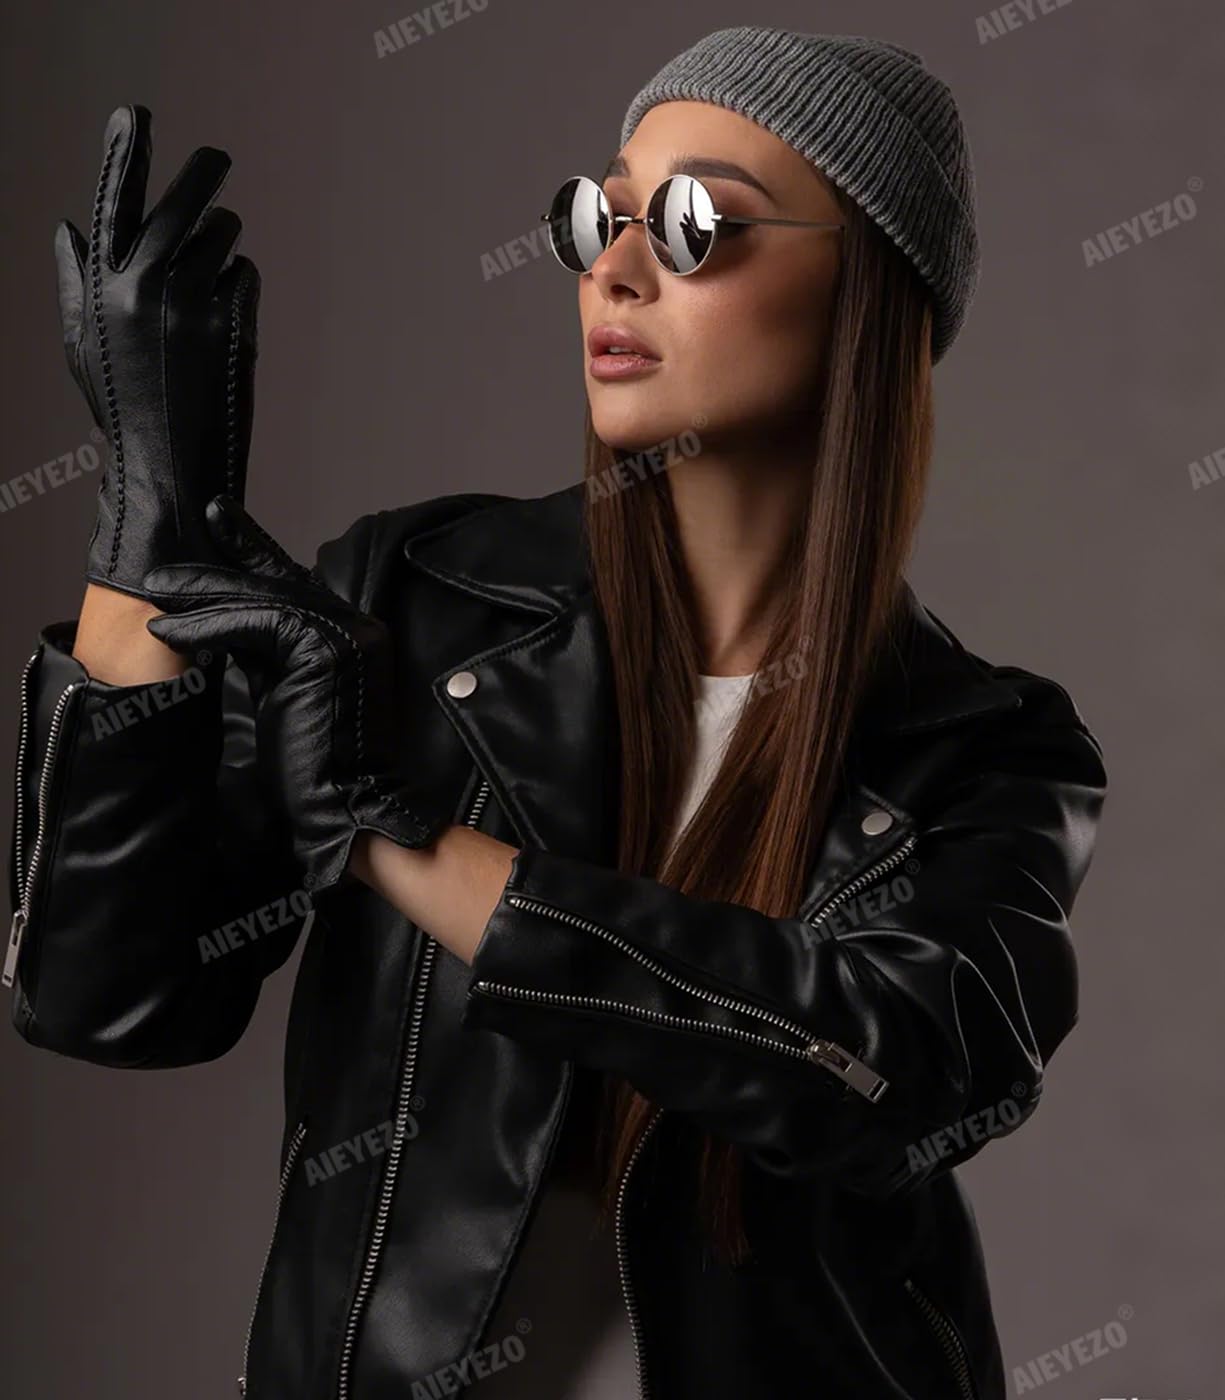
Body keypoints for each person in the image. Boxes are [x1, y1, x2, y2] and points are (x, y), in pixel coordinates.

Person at [6, 26, 1108, 1400]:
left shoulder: (987, 747)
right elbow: (110, 1004)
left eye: (695, 224)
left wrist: (390, 834)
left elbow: (895, 1077)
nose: (618, 270)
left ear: (868, 291)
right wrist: (143, 540)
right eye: (599, 217)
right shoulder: (408, 601)